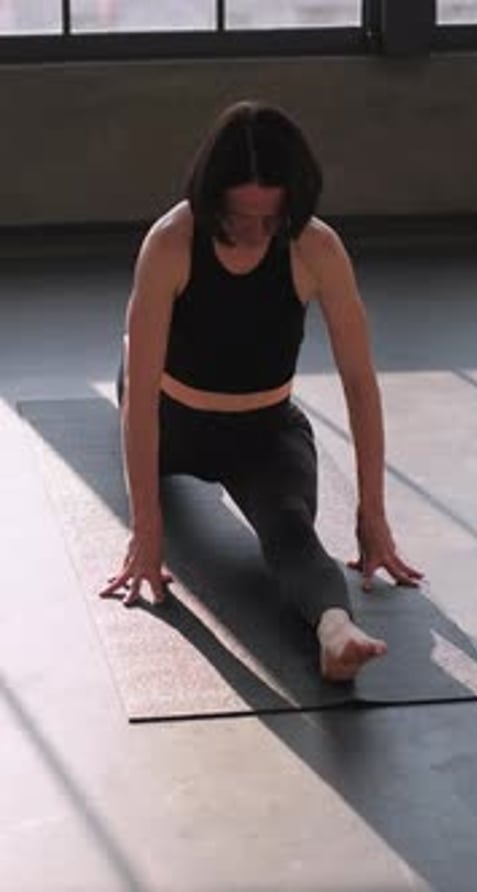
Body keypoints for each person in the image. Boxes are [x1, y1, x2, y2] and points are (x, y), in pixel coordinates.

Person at [99, 100, 423, 681]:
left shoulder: (316, 248)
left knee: (291, 531)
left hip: (263, 431)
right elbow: (143, 401)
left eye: (271, 220)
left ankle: (336, 632)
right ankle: (125, 347)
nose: (254, 234)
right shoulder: (171, 242)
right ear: (211, 197)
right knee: (136, 360)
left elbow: (359, 384)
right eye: (239, 217)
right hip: (172, 416)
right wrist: (146, 533)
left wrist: (373, 512)